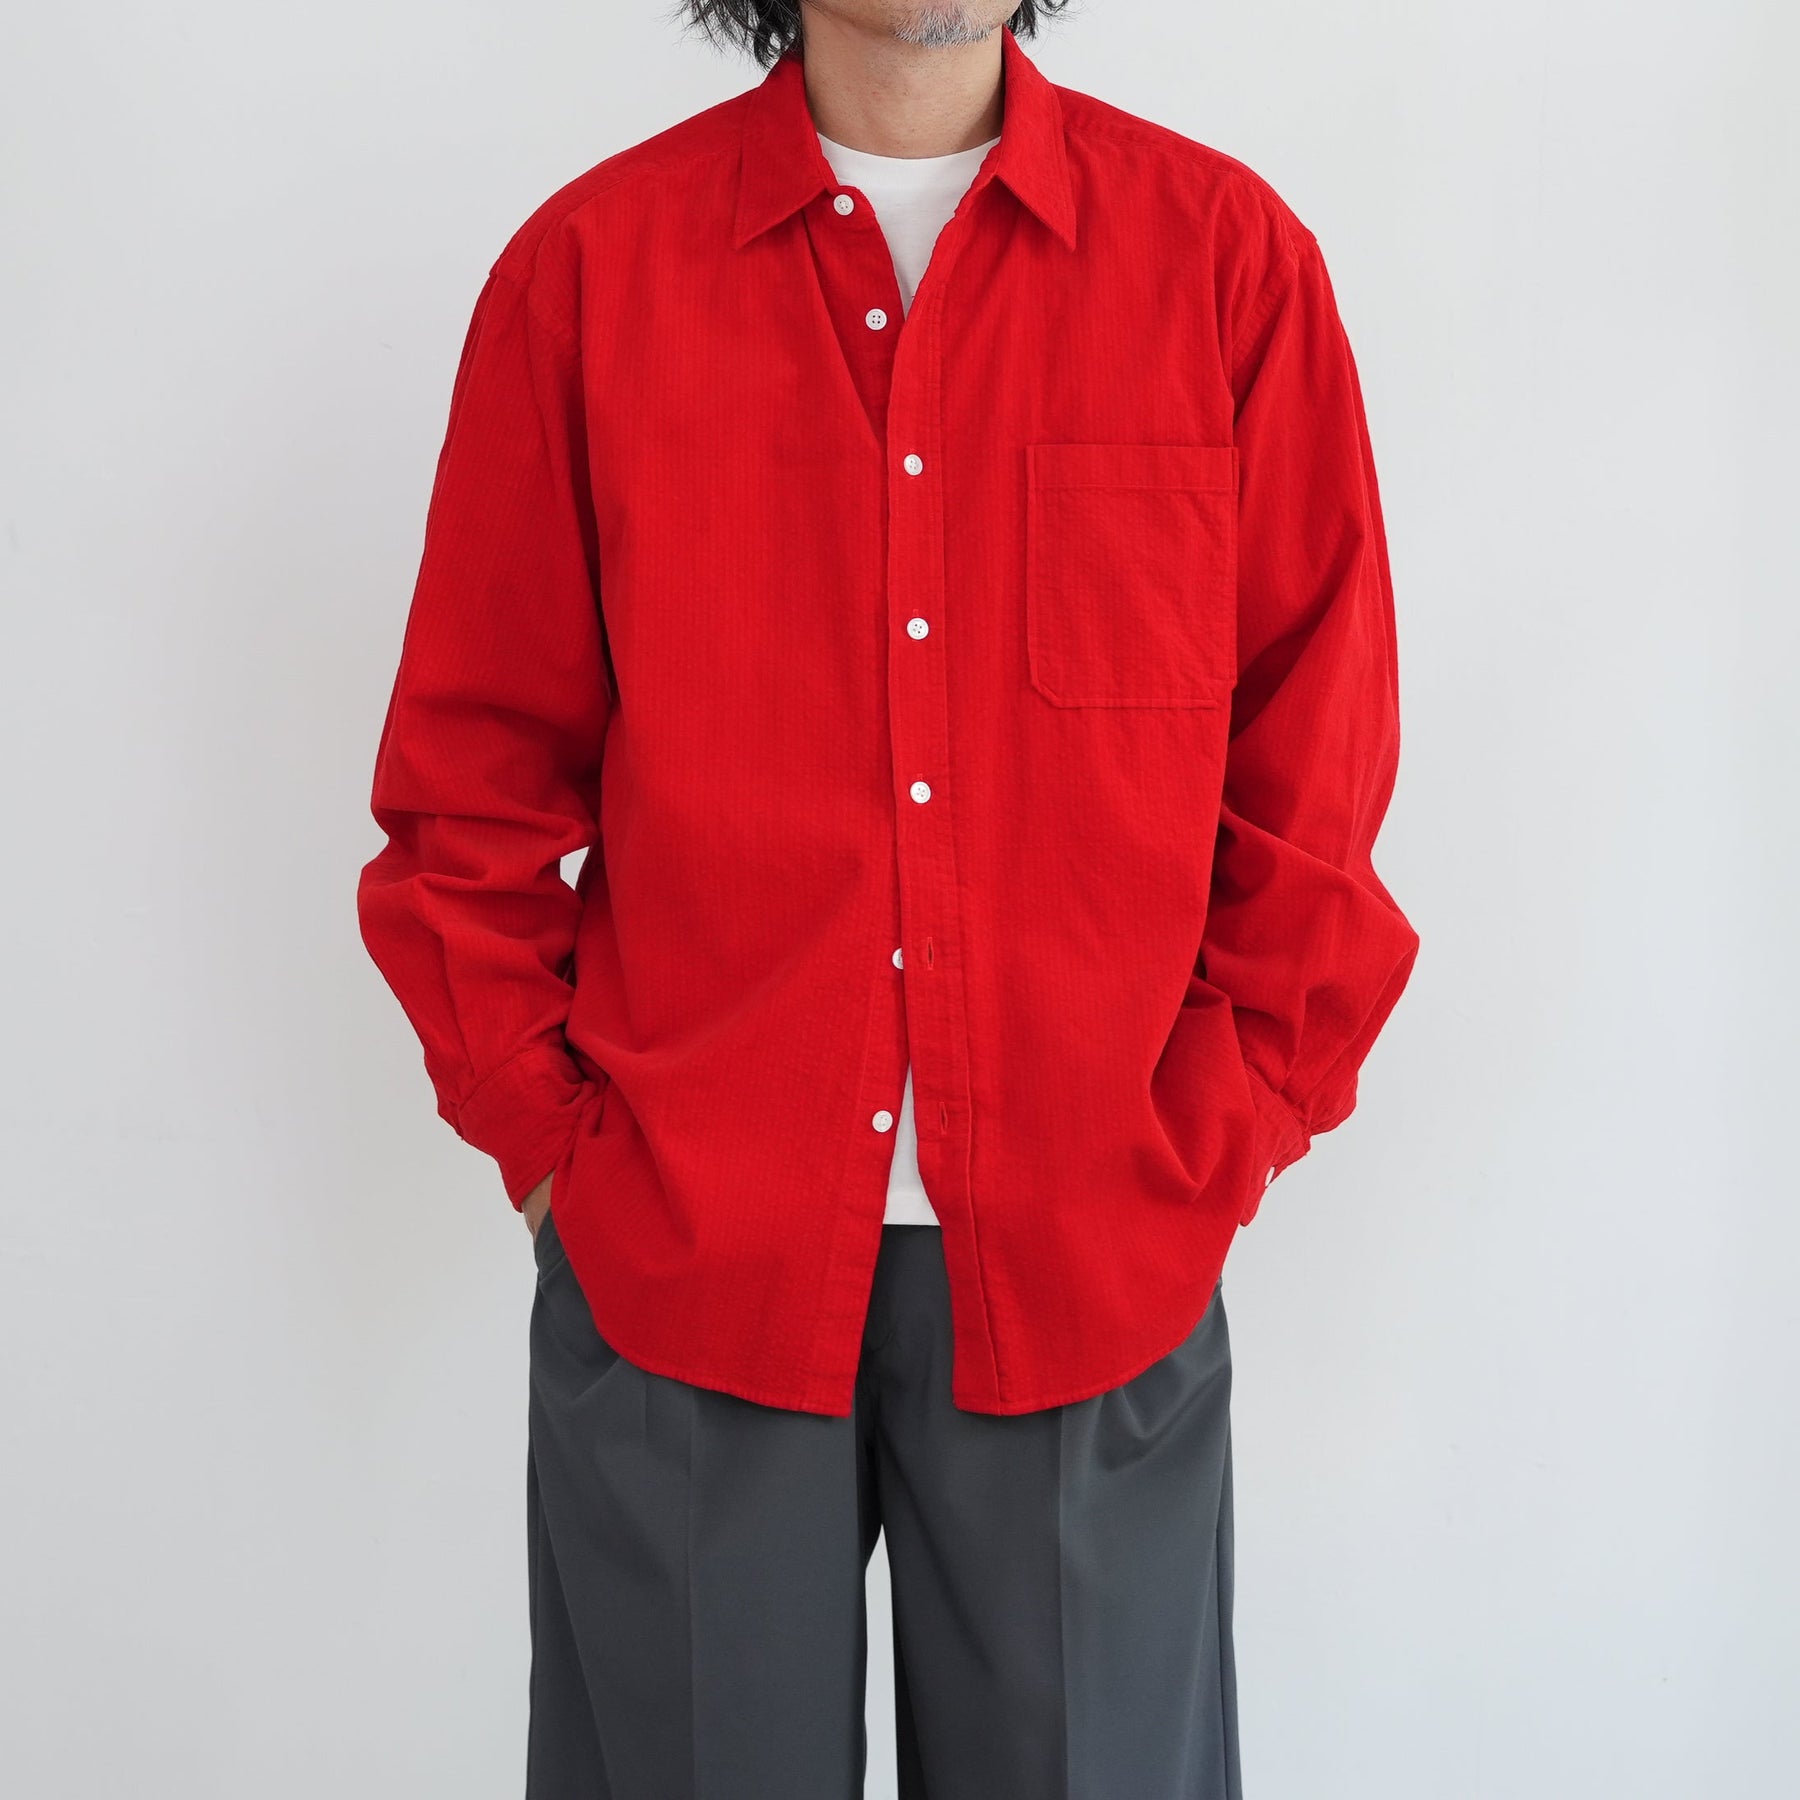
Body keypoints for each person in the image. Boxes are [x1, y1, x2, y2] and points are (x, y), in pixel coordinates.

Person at [355, 2, 1419, 1793]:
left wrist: (1215, 1136)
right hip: (687, 1257)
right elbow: (468, 787)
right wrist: (552, 1150)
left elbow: (1314, 778)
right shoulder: (590, 275)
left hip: (1094, 1256)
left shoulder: (1226, 268)